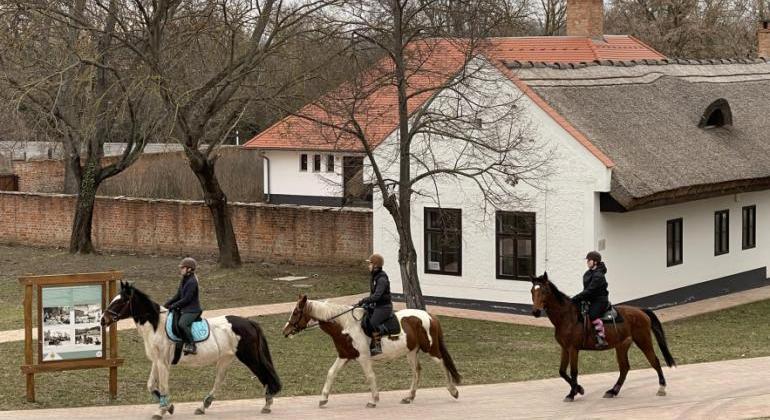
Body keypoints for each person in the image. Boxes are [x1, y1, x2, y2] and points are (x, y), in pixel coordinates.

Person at [355, 253, 393, 356]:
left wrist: (364, 300)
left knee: (373, 322)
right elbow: (373, 295)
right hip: (376, 306)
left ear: (375, 265)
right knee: (364, 319)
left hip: (384, 307)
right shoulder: (375, 276)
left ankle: (378, 346)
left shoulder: (381, 279)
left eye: (370, 264)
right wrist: (367, 304)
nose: (368, 266)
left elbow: (377, 296)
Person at [571, 251, 610, 349]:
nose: (587, 262)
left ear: (595, 262)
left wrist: (576, 298)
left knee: (592, 315)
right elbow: (586, 290)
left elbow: (590, 290)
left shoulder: (599, 275)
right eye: (587, 260)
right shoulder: (588, 273)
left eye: (589, 260)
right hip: (590, 299)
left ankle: (601, 337)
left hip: (600, 300)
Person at [165, 257, 203, 355]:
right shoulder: (184, 279)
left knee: (182, 324)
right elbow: (178, 295)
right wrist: (168, 304)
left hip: (192, 310)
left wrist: (173, 306)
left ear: (189, 269)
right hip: (184, 308)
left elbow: (187, 299)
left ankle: (192, 345)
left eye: (182, 268)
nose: (180, 269)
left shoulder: (192, 282)